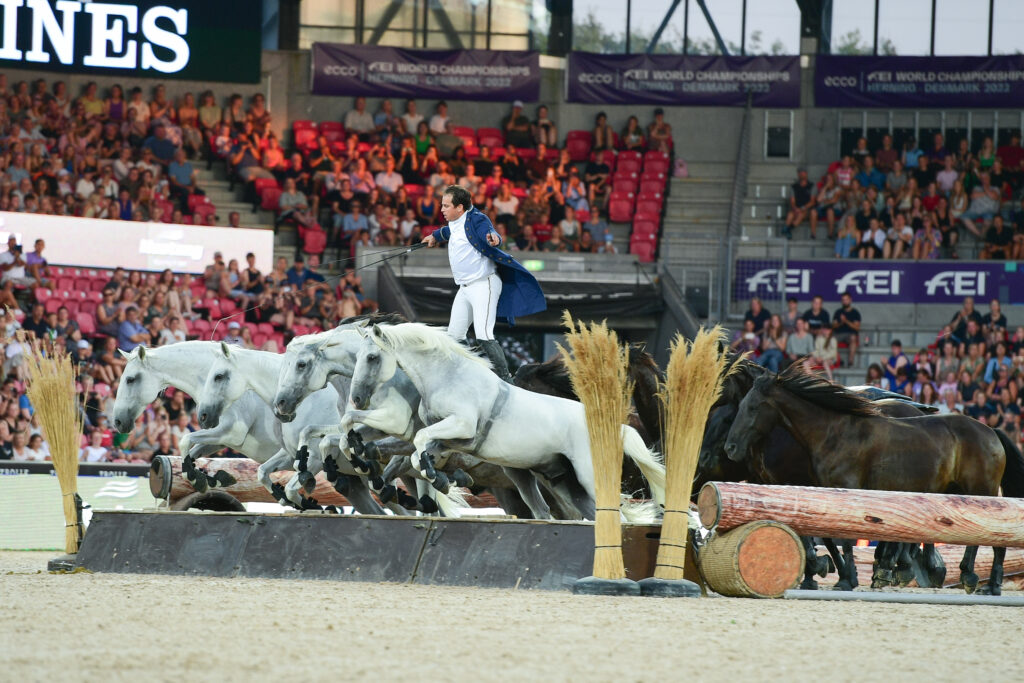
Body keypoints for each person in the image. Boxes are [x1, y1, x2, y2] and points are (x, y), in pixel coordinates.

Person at [422, 185, 546, 381]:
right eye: (442, 205)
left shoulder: (478, 219)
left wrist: (494, 239)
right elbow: (449, 231)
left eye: (446, 206)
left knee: (484, 335)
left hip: (484, 285)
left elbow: (490, 232)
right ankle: (461, 377)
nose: (442, 209)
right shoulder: (456, 221)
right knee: (454, 336)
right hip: (464, 288)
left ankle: (507, 381)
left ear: (460, 207)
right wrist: (435, 236)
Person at [783, 169, 815, 239]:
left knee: (801, 214)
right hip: (796, 209)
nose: (802, 175)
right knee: (790, 214)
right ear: (798, 175)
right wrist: (795, 209)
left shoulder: (811, 186)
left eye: (803, 173)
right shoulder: (794, 187)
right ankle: (787, 231)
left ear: (806, 174)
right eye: (800, 173)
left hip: (806, 210)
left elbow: (812, 201)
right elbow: (792, 201)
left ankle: (788, 229)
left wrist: (802, 208)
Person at [831, 291, 861, 367]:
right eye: (843, 300)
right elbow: (833, 326)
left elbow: (857, 327)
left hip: (850, 334)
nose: (845, 301)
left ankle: (850, 362)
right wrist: (841, 322)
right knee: (830, 339)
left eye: (846, 299)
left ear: (850, 300)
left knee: (853, 338)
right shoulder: (838, 312)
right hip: (839, 334)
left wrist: (846, 321)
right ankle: (837, 360)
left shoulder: (855, 312)